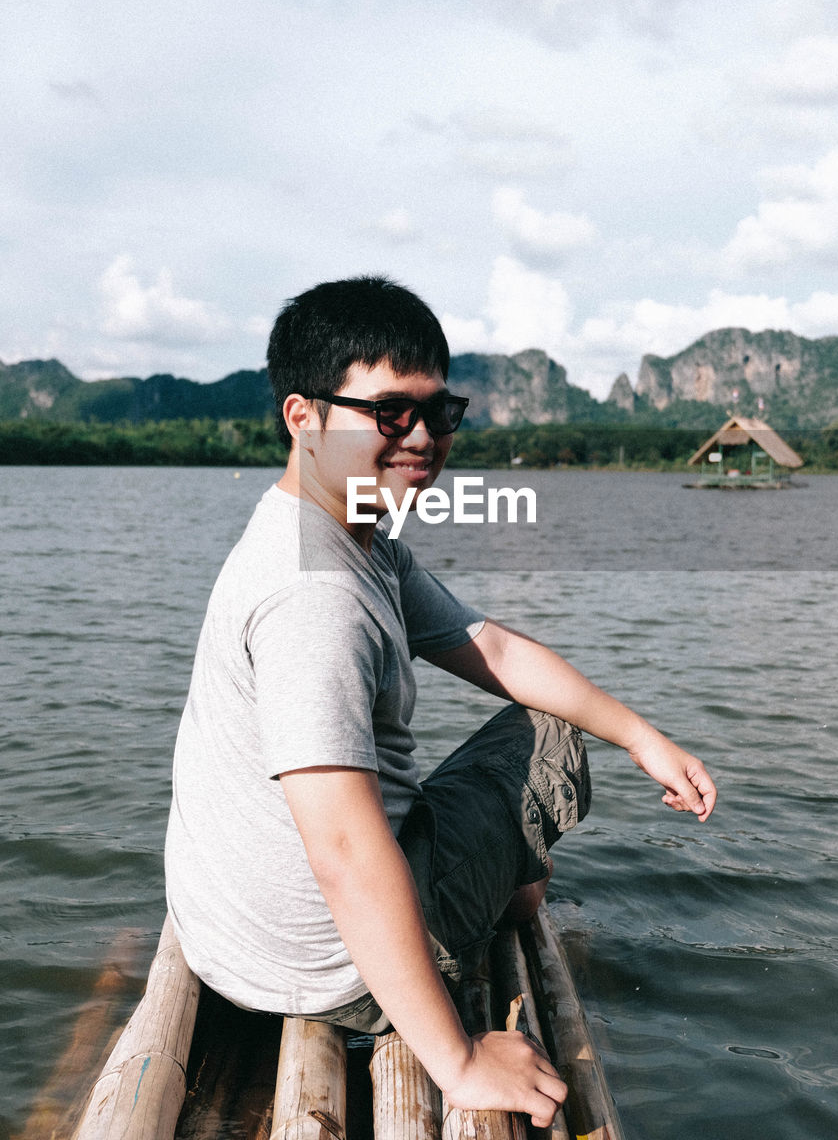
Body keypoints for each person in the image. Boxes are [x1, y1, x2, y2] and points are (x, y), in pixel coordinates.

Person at [164, 275, 716, 1128]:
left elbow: (490, 647)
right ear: (302, 417)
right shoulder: (314, 596)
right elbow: (345, 847)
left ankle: (500, 873)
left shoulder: (344, 531)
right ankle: (504, 892)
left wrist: (646, 739)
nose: (420, 438)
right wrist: (458, 1062)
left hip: (236, 940)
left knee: (535, 715)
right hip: (329, 968)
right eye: (389, 413)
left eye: (438, 412)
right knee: (547, 742)